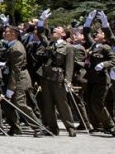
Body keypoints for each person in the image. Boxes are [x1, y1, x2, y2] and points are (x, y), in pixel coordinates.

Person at [36, 9, 77, 137]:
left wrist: (68, 80)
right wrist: (42, 21)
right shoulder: (50, 44)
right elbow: (40, 34)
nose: (54, 30)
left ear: (63, 33)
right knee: (48, 104)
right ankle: (52, 128)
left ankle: (70, 127)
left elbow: (69, 65)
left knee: (62, 103)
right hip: (46, 76)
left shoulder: (68, 47)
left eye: (58, 28)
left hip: (58, 77)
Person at [0, 25, 45, 136]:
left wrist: (11, 88)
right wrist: (5, 64)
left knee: (20, 103)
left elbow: (16, 69)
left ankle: (38, 126)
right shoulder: (12, 45)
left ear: (14, 34)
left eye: (7, 32)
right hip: (13, 76)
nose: (5, 33)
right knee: (7, 103)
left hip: (19, 78)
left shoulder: (16, 48)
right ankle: (15, 127)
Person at [82, 10, 115, 133]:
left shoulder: (106, 48)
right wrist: (88, 21)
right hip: (91, 78)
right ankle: (96, 125)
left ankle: (110, 125)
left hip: (101, 79)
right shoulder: (93, 46)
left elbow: (114, 61)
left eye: (99, 33)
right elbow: (86, 33)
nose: (96, 34)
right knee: (89, 102)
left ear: (104, 37)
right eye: (96, 33)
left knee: (97, 103)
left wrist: (103, 64)